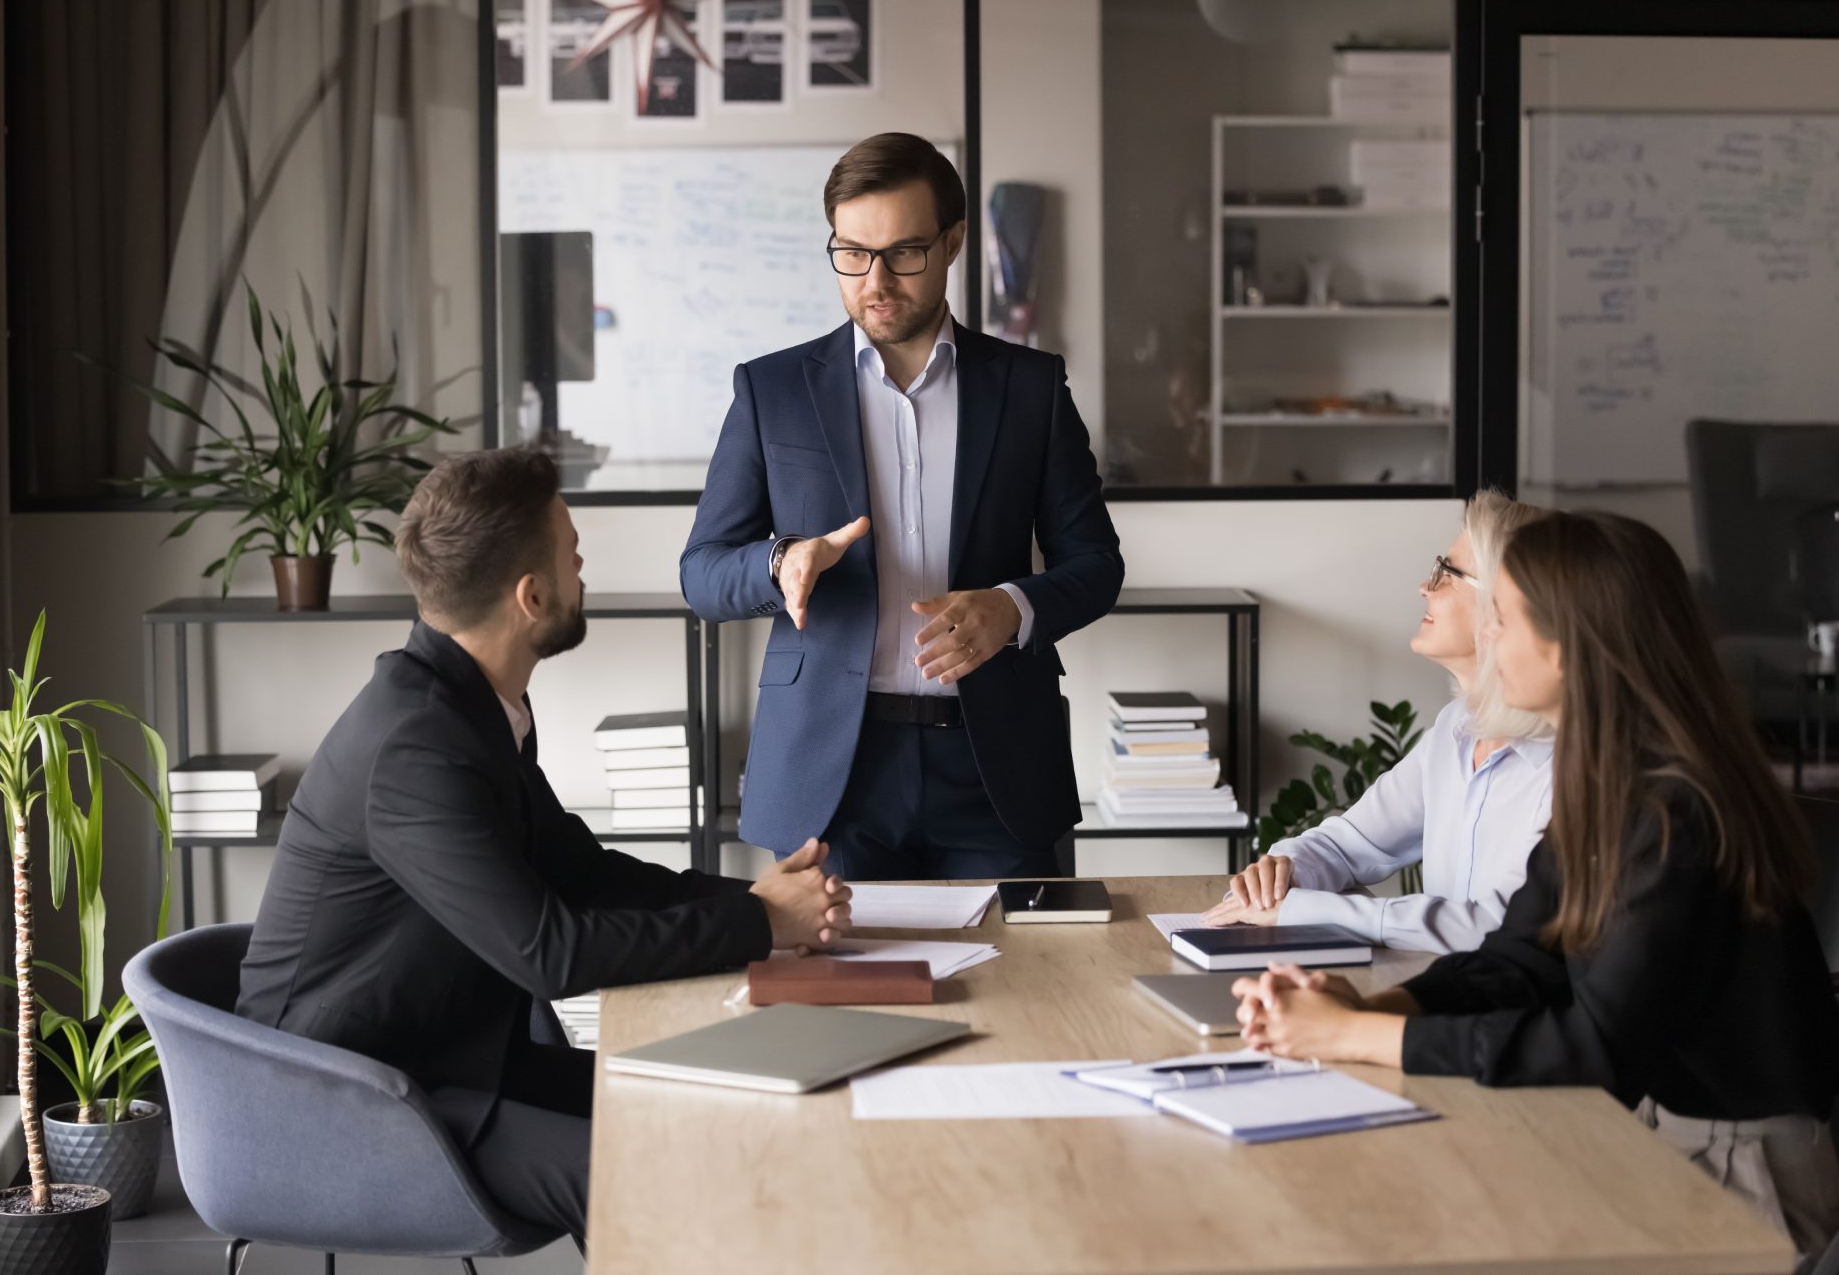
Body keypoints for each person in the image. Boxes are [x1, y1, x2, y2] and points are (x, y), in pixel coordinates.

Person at [236, 448, 853, 1242]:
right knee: (653, 1170)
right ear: (531, 597)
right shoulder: (417, 746)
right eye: (570, 548)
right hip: (343, 1095)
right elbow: (549, 952)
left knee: (707, 1107)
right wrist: (763, 925)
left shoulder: (470, 704)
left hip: (445, 1052)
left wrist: (761, 903)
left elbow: (578, 869)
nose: (582, 559)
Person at [1232, 510, 1839, 1257]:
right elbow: (1518, 958)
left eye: (1501, 618)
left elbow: (1597, 1048)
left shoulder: (1673, 808)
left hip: (1740, 1176)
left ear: (1570, 650)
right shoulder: (1610, 776)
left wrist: (1358, 1035)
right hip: (1653, 1129)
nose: (1487, 640)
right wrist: (1371, 1006)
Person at [680, 132, 1123, 881]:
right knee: (844, 999)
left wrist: (1012, 608)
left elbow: (1096, 564)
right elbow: (703, 572)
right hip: (833, 775)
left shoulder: (1031, 388)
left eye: (904, 252)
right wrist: (781, 561)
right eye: (852, 252)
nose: (874, 279)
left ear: (952, 243)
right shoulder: (772, 391)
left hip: (996, 769)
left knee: (1018, 993)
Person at [1200, 491, 1553, 952]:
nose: (1425, 588)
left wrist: (1300, 911)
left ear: (1506, 606)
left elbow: (1495, 927)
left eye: (1448, 574)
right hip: (1443, 994)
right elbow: (1349, 844)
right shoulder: (1456, 729)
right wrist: (1280, 873)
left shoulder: (1569, 762)